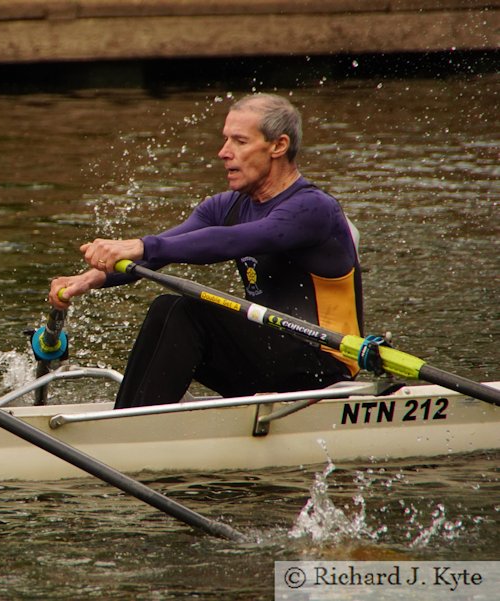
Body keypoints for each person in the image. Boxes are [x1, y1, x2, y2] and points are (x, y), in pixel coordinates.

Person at [48, 93, 363, 408]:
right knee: (170, 311)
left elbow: (231, 241)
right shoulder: (225, 206)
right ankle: (132, 417)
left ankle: (133, 426)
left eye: (239, 141)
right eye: (225, 140)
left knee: (180, 311)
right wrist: (89, 279)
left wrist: (141, 244)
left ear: (278, 146)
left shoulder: (313, 209)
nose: (223, 152)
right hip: (267, 358)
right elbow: (160, 253)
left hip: (324, 369)